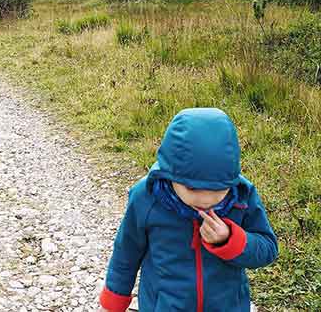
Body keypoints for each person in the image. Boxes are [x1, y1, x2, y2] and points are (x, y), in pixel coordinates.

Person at [99, 108, 278, 312]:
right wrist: (113, 303)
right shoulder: (147, 197)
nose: (206, 201)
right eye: (192, 188)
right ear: (170, 174)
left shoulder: (242, 196)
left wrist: (229, 239)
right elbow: (126, 252)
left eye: (218, 189)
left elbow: (268, 248)